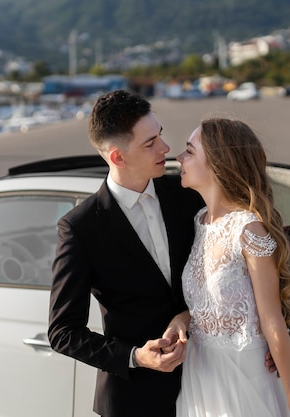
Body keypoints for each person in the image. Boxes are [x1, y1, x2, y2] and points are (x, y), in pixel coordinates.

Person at [47, 90, 204, 417]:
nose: (165, 148)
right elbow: (63, 332)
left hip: (207, 382)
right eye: (150, 143)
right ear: (118, 157)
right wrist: (135, 355)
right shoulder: (79, 228)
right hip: (135, 401)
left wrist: (188, 315)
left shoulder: (188, 194)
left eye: (159, 134)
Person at [169, 117, 290, 417]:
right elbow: (213, 305)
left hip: (244, 376)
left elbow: (271, 318)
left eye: (189, 150)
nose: (179, 157)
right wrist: (182, 319)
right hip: (201, 376)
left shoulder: (248, 228)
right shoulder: (200, 221)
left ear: (217, 163)